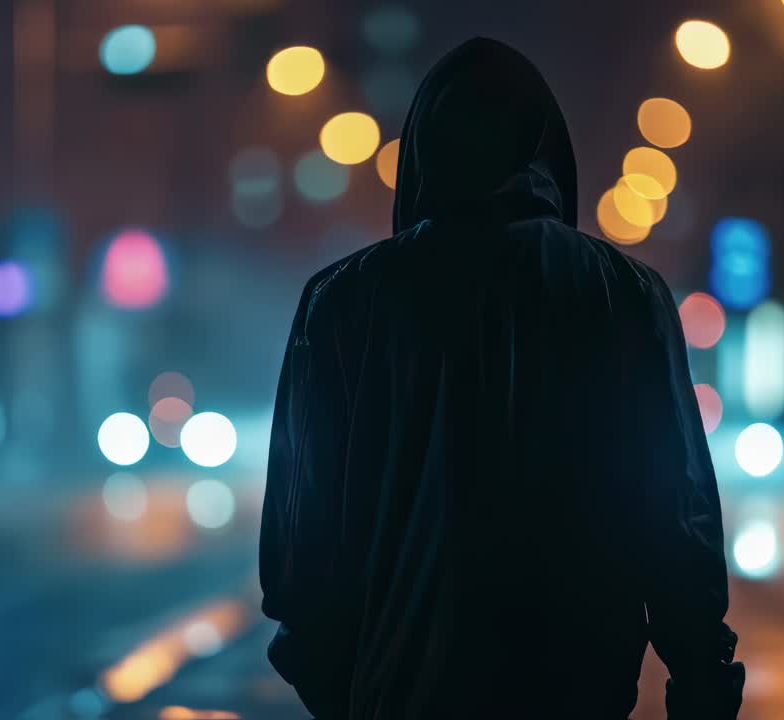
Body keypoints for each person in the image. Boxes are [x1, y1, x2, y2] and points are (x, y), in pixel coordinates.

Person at [260, 38, 744, 719]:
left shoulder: (342, 301)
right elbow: (674, 513)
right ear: (547, 152)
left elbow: (301, 546)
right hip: (575, 694)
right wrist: (699, 676)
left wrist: (350, 689)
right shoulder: (626, 296)